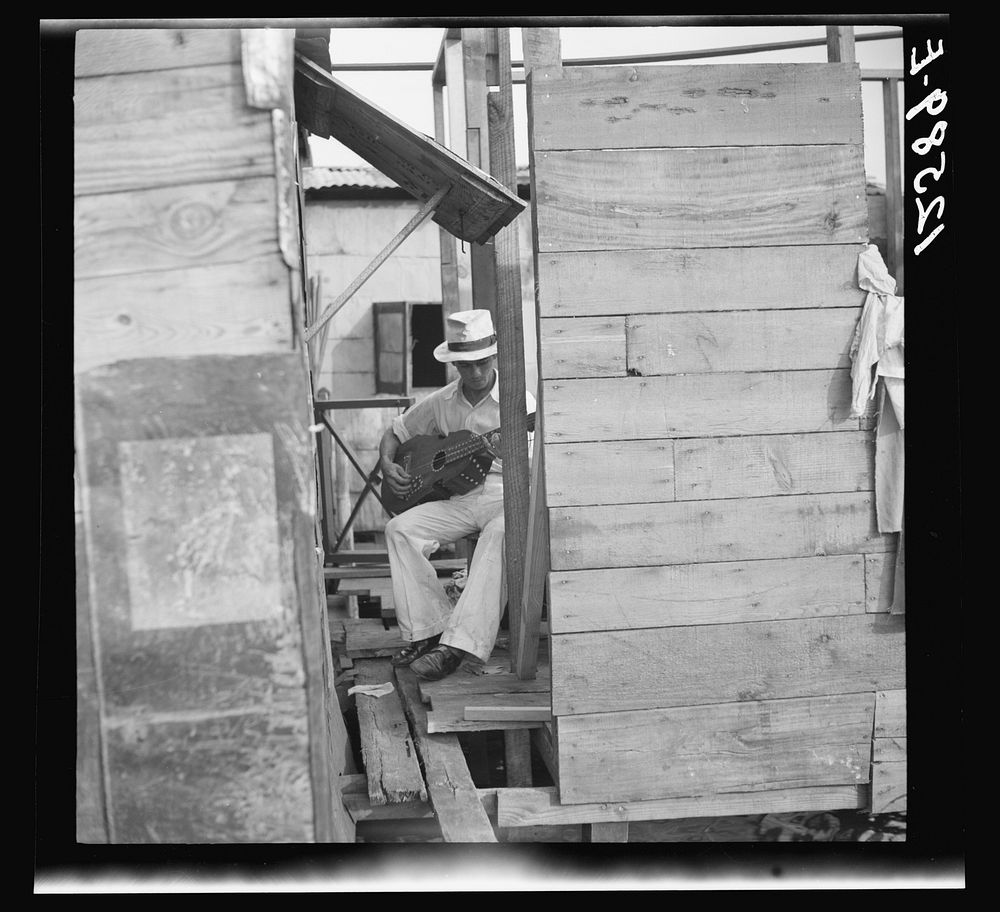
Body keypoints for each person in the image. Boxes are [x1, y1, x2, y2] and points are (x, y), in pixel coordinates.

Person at [378, 309, 534, 681]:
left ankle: (461, 645)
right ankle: (429, 630)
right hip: (459, 499)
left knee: (499, 534)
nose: (475, 373)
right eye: (465, 366)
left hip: (504, 494)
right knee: (400, 529)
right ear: (455, 364)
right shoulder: (441, 402)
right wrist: (387, 463)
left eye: (481, 363)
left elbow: (535, 465)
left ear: (494, 357)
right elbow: (396, 432)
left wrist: (507, 453)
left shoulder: (519, 403)